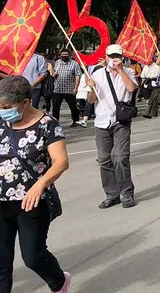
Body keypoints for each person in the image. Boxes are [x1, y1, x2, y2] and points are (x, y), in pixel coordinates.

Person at [0, 76, 72, 293]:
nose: (2, 111)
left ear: (24, 102)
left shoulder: (47, 125)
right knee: (1, 263)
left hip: (32, 201)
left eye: (6, 107)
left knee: (33, 257)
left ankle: (59, 282)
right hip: (1, 201)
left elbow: (61, 162)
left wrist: (41, 184)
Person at [86, 44, 138, 209]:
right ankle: (112, 194)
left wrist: (121, 70)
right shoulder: (97, 74)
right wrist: (91, 87)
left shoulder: (129, 72)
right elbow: (91, 100)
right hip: (102, 121)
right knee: (104, 159)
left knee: (120, 157)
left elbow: (131, 88)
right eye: (111, 56)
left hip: (120, 121)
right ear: (106, 56)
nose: (114, 59)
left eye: (117, 56)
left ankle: (127, 193)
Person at [51, 50, 82, 127]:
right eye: (62, 54)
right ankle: (55, 122)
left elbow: (78, 76)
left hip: (69, 89)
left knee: (73, 106)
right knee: (55, 107)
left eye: (66, 54)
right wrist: (53, 72)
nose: (64, 56)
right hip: (58, 89)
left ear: (69, 55)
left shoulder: (74, 63)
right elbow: (53, 74)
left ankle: (76, 120)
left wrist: (76, 88)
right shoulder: (58, 62)